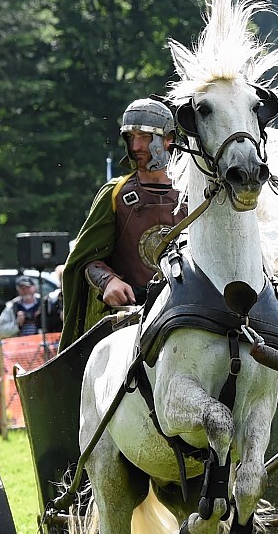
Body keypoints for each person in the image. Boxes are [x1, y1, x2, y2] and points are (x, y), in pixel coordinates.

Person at [61, 97, 185, 349]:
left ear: (168, 138)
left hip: (188, 314)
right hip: (130, 320)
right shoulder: (116, 193)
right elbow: (86, 259)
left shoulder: (194, 192)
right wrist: (109, 281)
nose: (136, 145)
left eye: (145, 136)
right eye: (130, 137)